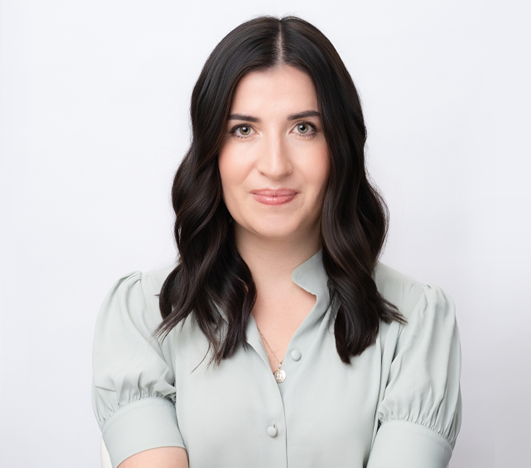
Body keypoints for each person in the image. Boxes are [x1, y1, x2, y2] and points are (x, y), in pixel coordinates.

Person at [91, 15, 461, 468]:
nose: (275, 164)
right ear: (212, 149)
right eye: (243, 129)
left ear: (339, 145)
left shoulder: (417, 320)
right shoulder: (143, 314)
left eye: (303, 128)